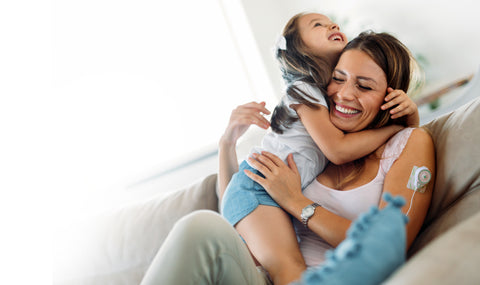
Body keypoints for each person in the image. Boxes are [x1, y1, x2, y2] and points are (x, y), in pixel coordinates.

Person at [140, 31, 435, 285]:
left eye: (364, 86)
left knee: (201, 228)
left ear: (392, 97)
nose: (343, 94)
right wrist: (227, 143)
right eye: (338, 78)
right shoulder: (318, 144)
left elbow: (387, 246)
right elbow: (238, 209)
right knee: (201, 227)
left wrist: (297, 202)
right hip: (261, 272)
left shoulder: (410, 141)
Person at [220, 13, 418, 285]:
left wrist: (407, 122)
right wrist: (393, 128)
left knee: (285, 268)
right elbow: (337, 150)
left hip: (262, 191)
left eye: (362, 84)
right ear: (300, 50)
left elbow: (405, 146)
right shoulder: (304, 90)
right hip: (257, 188)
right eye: (318, 25)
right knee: (289, 269)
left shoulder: (321, 98)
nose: (333, 26)